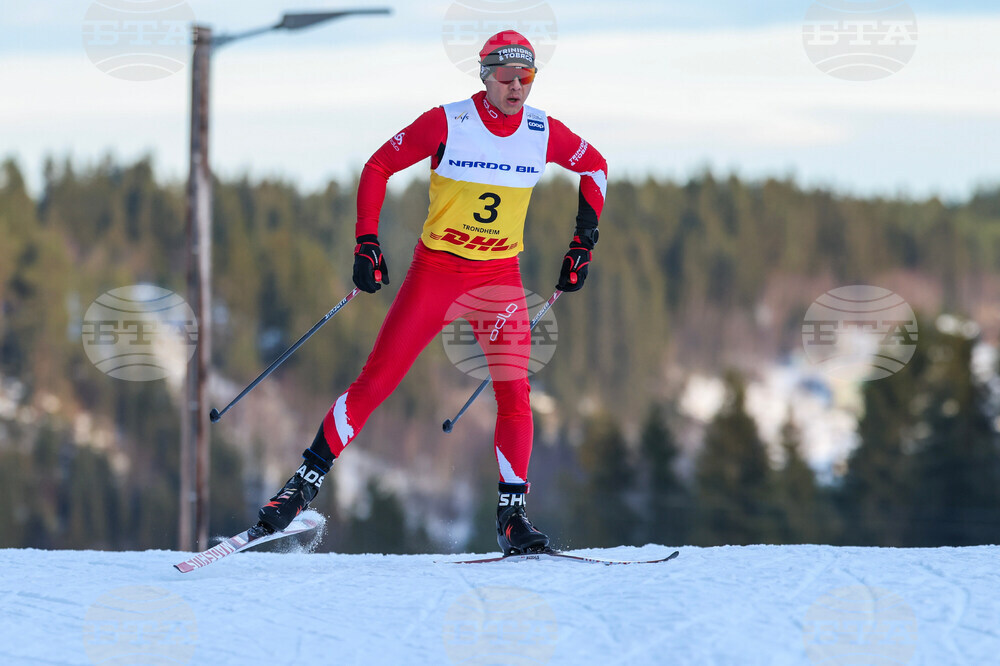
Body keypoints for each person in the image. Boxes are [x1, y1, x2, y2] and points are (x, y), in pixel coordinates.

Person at [256, 30, 607, 555]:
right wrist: (366, 242)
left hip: (498, 278)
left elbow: (596, 166)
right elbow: (378, 166)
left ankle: (512, 517)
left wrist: (583, 243)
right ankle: (301, 485)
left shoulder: (542, 131)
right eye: (506, 76)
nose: (516, 86)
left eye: (527, 76)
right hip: (437, 272)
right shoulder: (447, 122)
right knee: (377, 381)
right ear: (485, 75)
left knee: (515, 393)